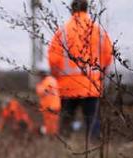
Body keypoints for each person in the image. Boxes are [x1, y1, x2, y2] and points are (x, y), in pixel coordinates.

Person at [48, 0, 113, 140]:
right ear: (87, 8)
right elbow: (108, 55)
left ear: (71, 10)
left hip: (67, 87)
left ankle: (63, 150)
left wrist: (57, 77)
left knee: (66, 122)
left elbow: (53, 59)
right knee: (93, 122)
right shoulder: (98, 30)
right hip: (92, 85)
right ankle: (95, 150)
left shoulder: (63, 31)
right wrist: (101, 76)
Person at [35, 71, 61, 136]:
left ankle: (51, 137)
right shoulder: (52, 80)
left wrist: (38, 85)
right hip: (54, 105)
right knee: (53, 123)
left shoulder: (46, 81)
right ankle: (53, 137)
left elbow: (41, 92)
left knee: (50, 123)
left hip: (50, 106)